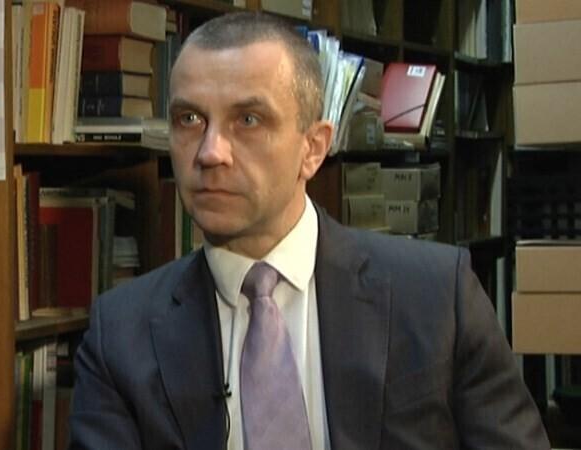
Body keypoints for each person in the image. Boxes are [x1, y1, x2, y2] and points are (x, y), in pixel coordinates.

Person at [69, 12, 549, 450]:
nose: (210, 152)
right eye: (189, 119)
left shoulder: (437, 295)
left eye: (248, 120)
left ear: (313, 149)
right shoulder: (120, 336)